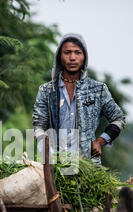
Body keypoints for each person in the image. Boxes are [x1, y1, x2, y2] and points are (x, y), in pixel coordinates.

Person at [32, 33, 126, 165]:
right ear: (60, 56)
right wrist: (45, 148)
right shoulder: (47, 91)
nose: (72, 58)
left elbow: (118, 119)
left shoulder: (98, 90)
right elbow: (39, 125)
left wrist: (100, 141)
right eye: (67, 52)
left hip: (88, 166)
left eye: (77, 52)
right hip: (55, 166)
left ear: (84, 57)